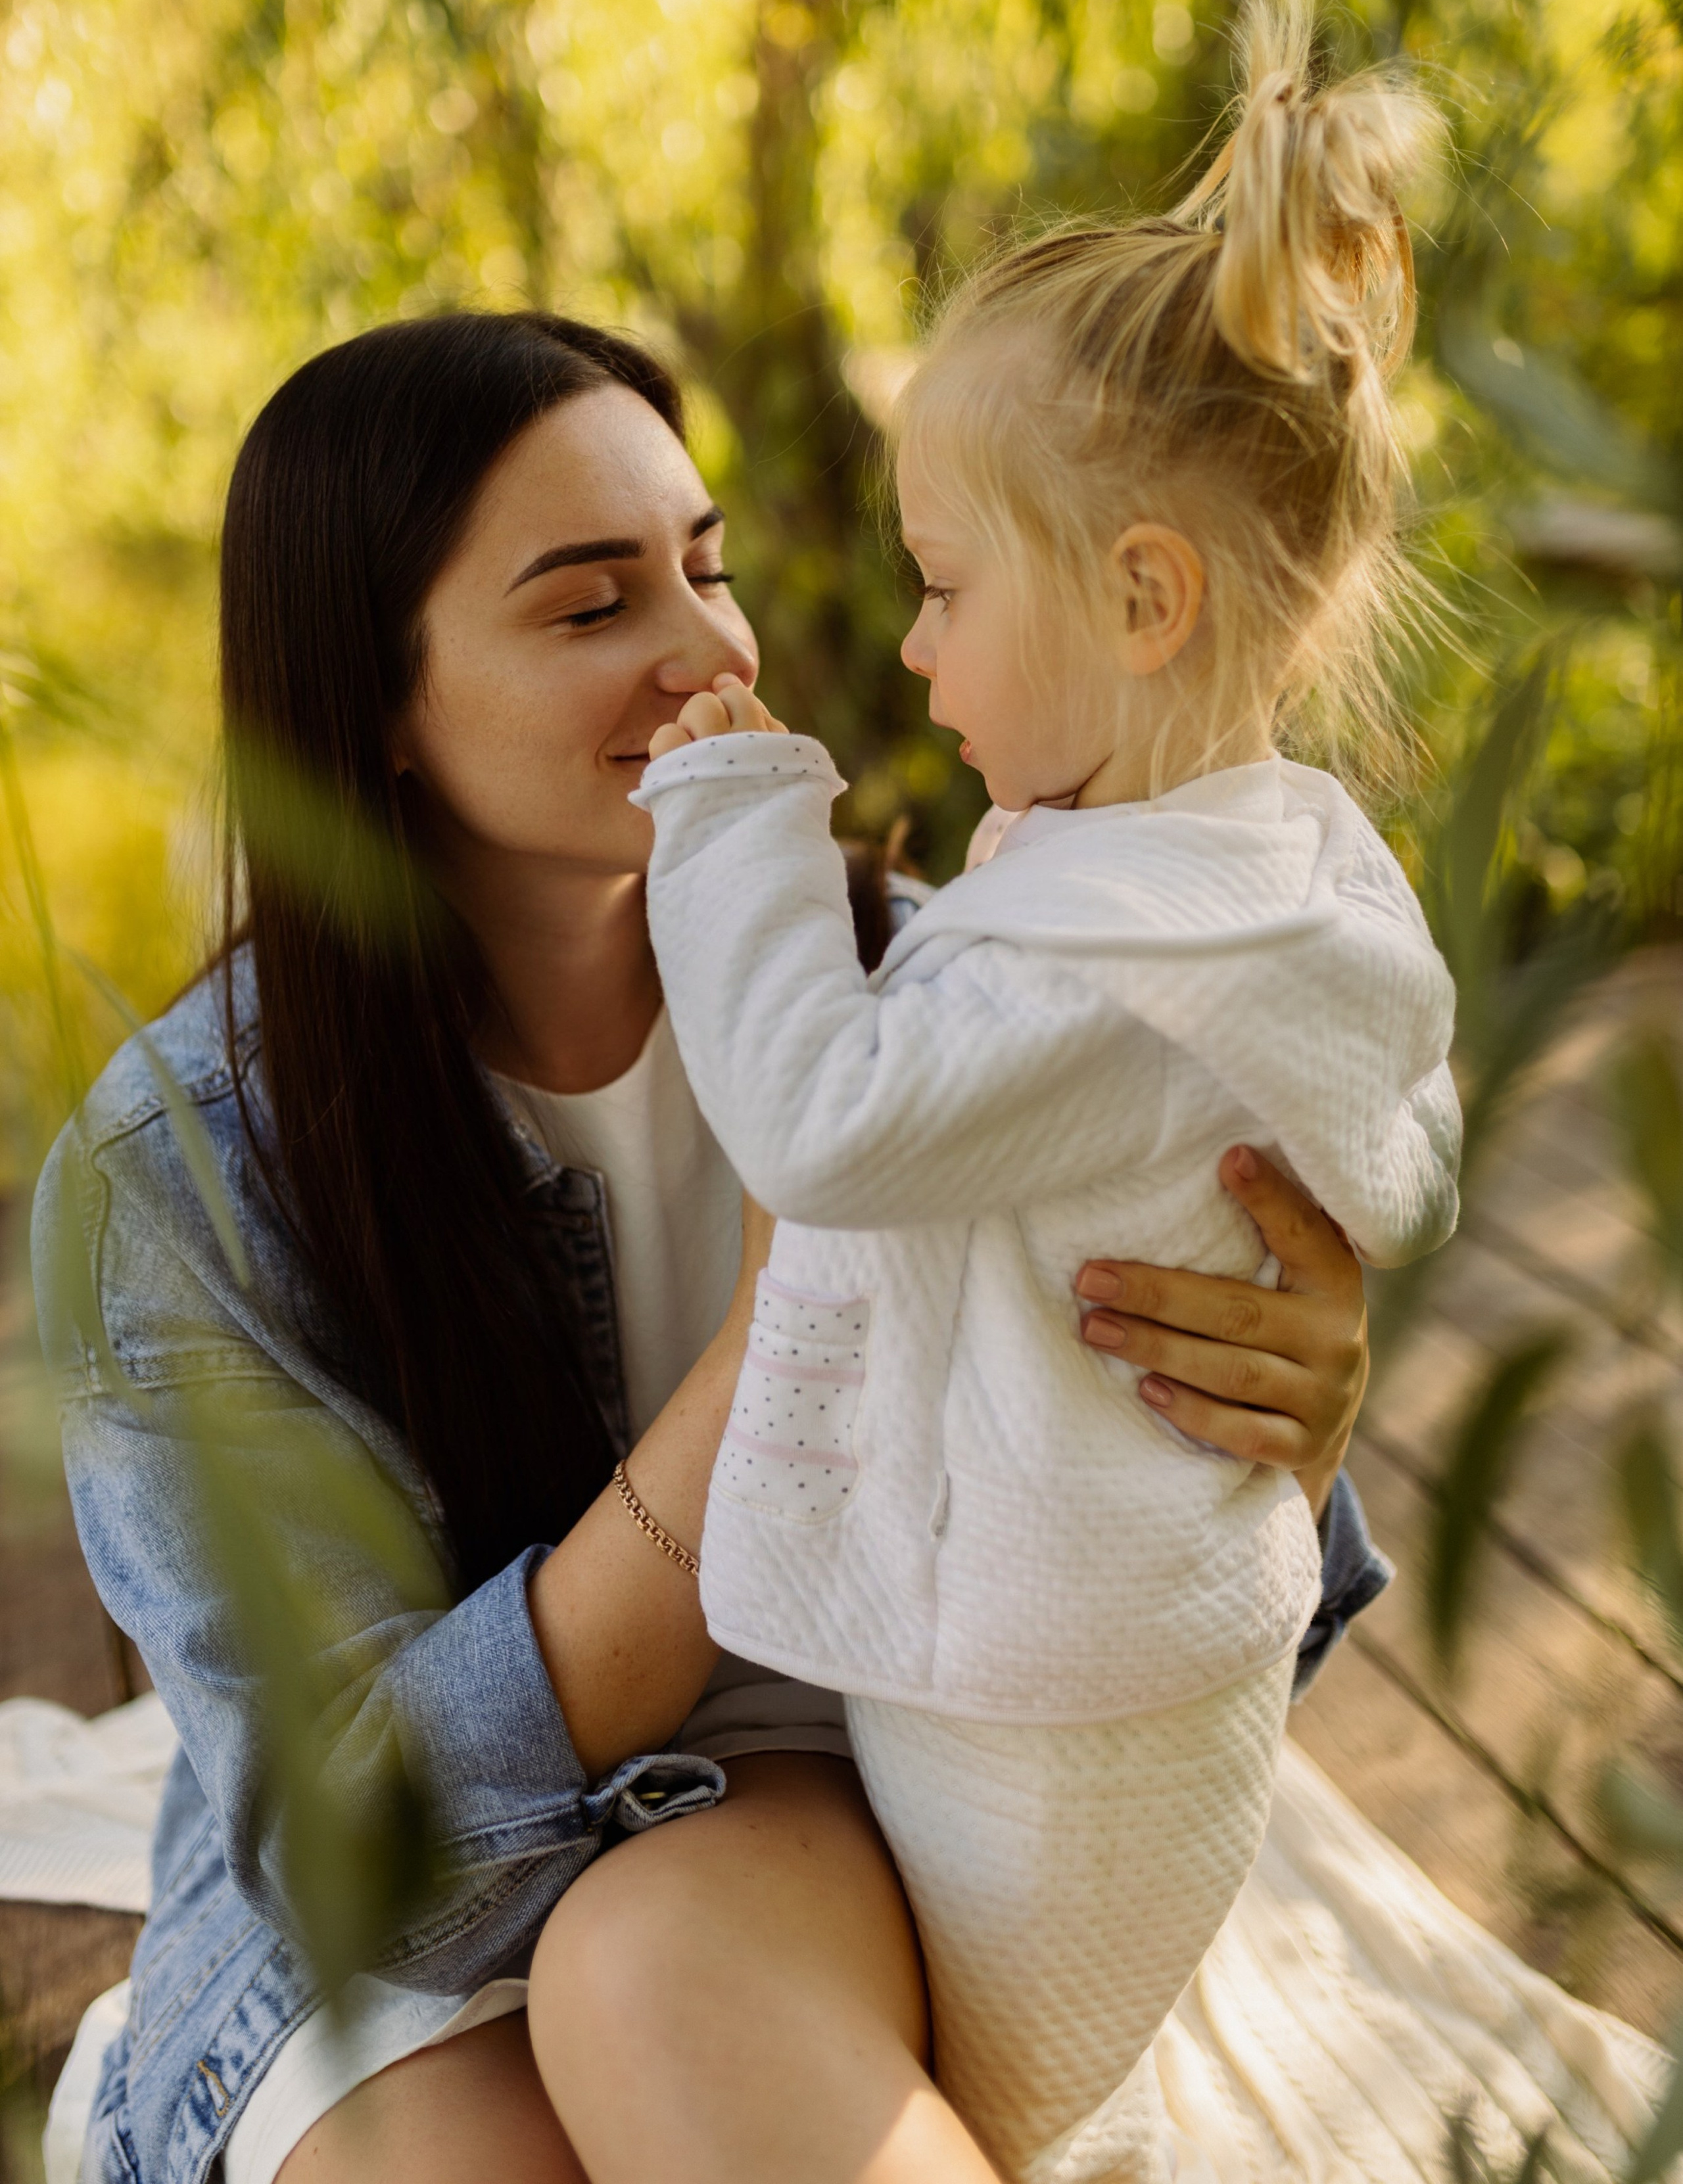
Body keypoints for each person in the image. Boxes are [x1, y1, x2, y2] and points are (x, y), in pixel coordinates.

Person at [33, 304, 1383, 2184]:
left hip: (820, 1792)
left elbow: (1222, 1594)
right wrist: (780, 1345)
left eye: (709, 569)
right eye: (594, 606)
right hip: (404, 1905)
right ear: (376, 705)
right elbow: (368, 1853)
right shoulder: (181, 1175)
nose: (711, 654)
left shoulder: (958, 992)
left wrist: (1289, 1424)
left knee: (658, 1968)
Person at [628, 0, 1459, 2182]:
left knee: (1001, 2111)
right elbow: (1407, 1149)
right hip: (1144, 1650)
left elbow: (827, 1120)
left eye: (942, 586)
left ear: (1145, 600)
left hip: (1051, 1693)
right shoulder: (1266, 876)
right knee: (999, 2096)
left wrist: (733, 817)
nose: (908, 651)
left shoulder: (1114, 964)